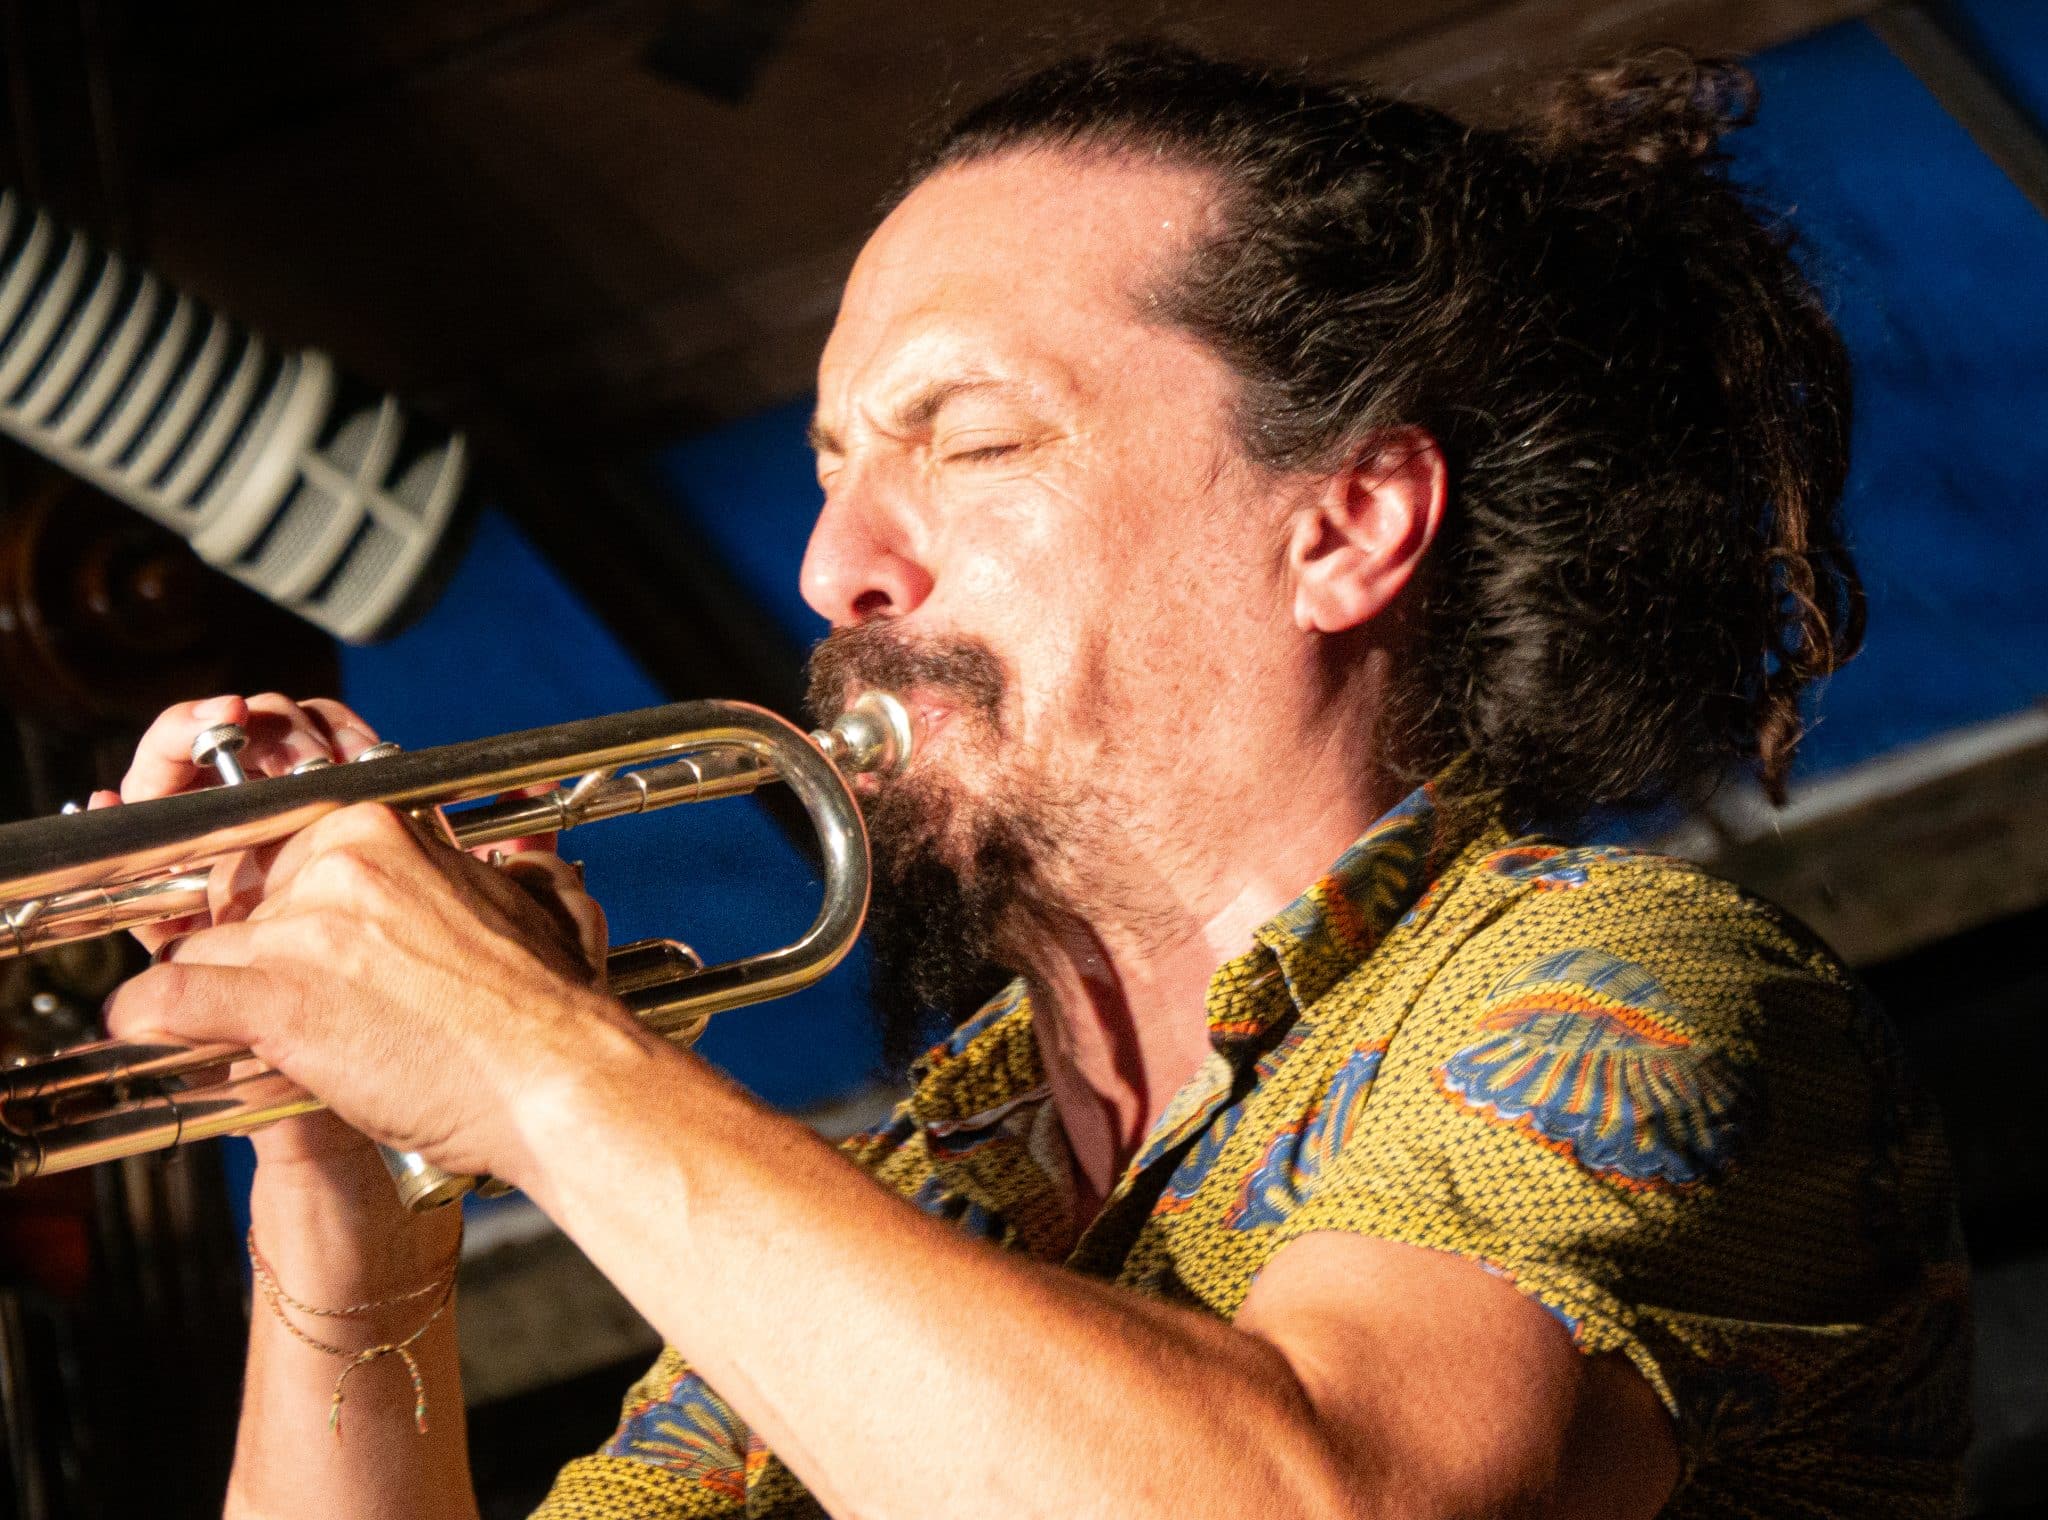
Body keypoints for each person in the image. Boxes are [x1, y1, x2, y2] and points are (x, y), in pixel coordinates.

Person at [100, 42, 1969, 1520]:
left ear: (1346, 524)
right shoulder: (920, 1208)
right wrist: (360, 1187)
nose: (835, 570)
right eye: (834, 464)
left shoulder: (1628, 988)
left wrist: (523, 1047)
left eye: (969, 437)